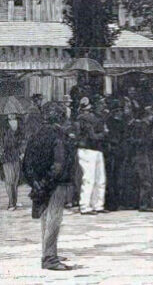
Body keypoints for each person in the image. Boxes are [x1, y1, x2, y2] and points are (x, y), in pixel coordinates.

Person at [22, 102, 76, 271]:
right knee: (54, 219)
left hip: (40, 184)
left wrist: (36, 183)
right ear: (59, 116)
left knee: (46, 219)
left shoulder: (36, 134)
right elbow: (59, 164)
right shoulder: (59, 134)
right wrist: (47, 183)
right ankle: (49, 258)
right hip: (55, 184)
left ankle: (48, 252)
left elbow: (27, 163)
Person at [75, 97, 107, 215]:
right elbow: (93, 136)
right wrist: (104, 133)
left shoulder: (90, 119)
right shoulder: (84, 120)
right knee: (90, 178)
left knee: (99, 178)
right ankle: (86, 205)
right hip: (88, 150)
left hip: (94, 149)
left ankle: (97, 204)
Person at [1, 113, 23, 210]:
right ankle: (11, 203)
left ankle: (15, 201)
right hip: (7, 156)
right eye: (10, 113)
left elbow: (23, 140)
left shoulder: (20, 125)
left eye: (13, 113)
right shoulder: (2, 126)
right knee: (9, 180)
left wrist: (22, 152)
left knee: (15, 180)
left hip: (17, 156)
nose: (11, 115)